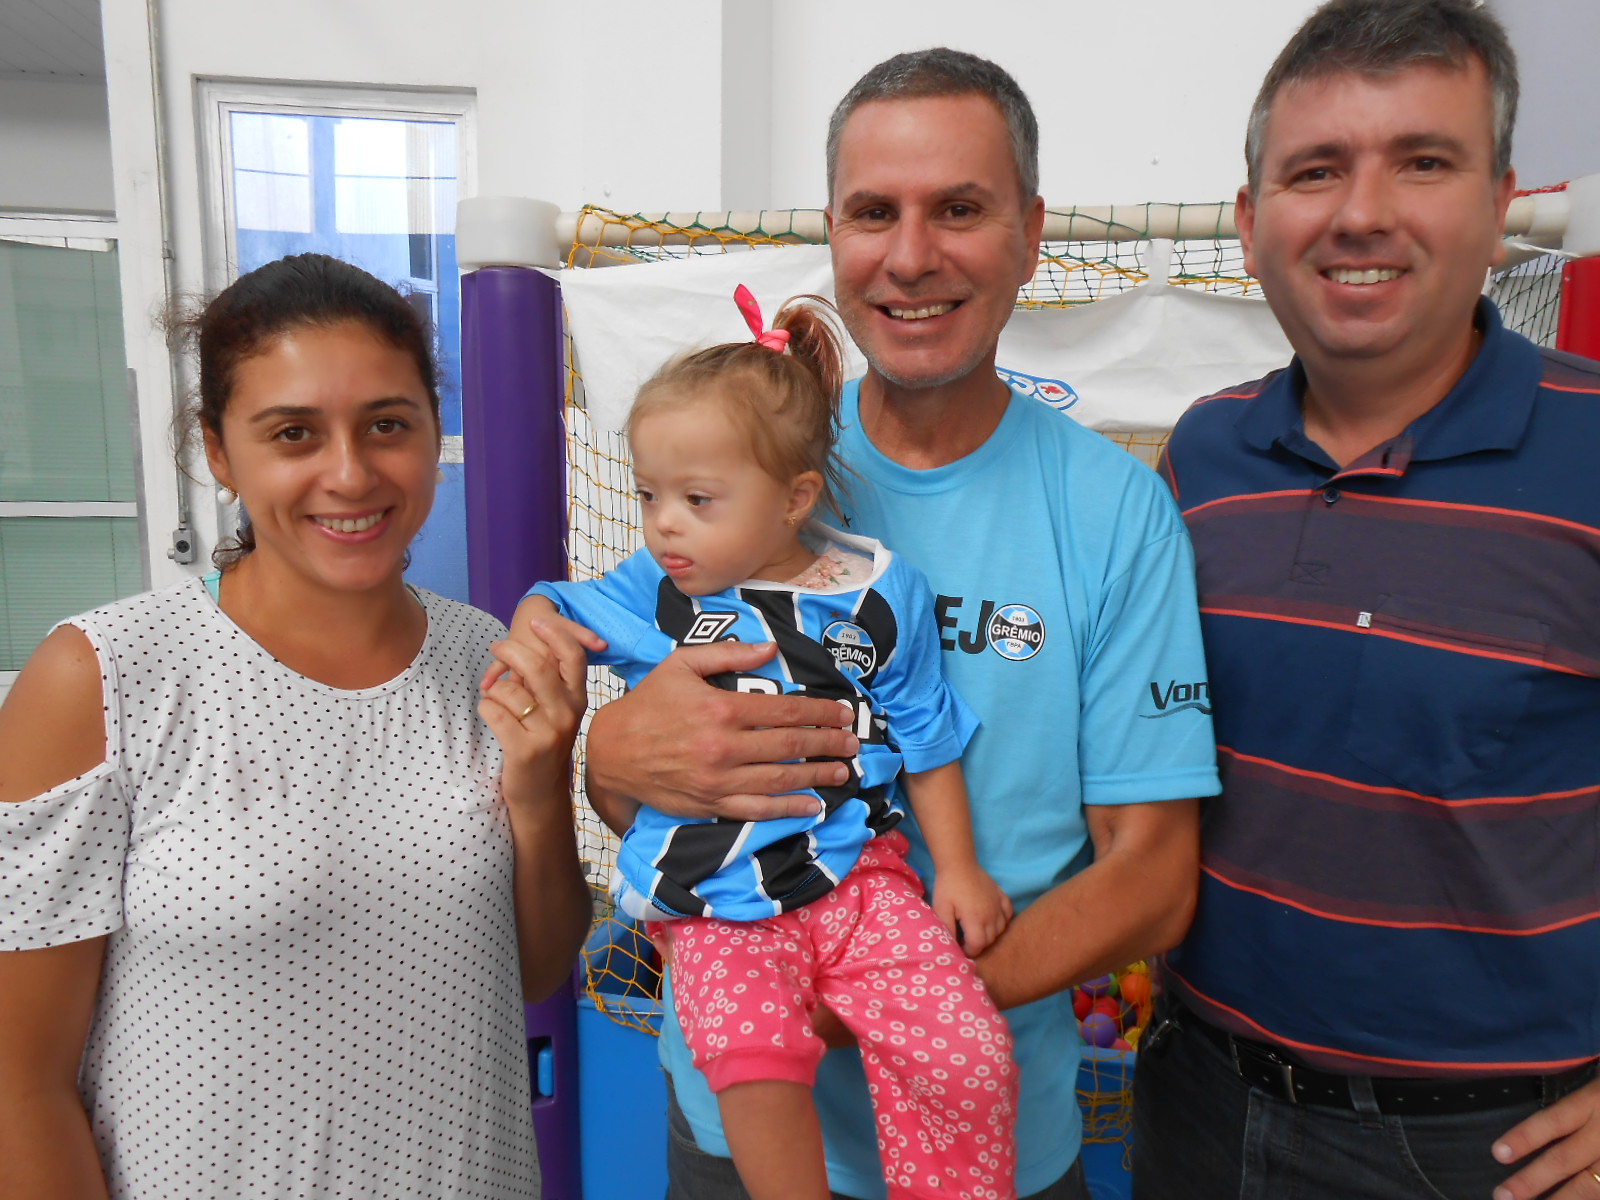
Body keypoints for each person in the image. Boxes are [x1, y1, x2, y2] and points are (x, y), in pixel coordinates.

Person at [519, 49, 1219, 1200]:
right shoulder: (733, 469)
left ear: (1031, 232)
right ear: (832, 233)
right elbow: (641, 767)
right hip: (735, 1130)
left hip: (1000, 1131)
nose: (910, 254)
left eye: (959, 209)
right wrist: (608, 754)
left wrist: (889, 989)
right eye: (872, 213)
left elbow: (1150, 878)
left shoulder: (1116, 512)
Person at [1130, 4, 1600, 1199]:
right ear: (1249, 223)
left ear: (1500, 203)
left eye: (1421, 162)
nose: (1360, 213)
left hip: (1492, 1155)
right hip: (1197, 1109)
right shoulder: (1201, 455)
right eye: (1315, 170)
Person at [0, 253, 593, 1199]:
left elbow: (535, 968)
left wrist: (538, 792)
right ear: (220, 449)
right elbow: (18, 1085)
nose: (350, 474)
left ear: (434, 433)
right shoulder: (104, 677)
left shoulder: (486, 655)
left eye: (387, 426)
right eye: (294, 433)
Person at [520, 287, 1017, 1200]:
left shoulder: (875, 591)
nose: (665, 522)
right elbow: (555, 601)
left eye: (698, 499)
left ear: (795, 498)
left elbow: (926, 735)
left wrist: (965, 872)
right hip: (716, 897)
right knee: (749, 1056)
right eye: (649, 495)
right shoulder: (656, 592)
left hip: (858, 881)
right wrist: (531, 622)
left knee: (969, 1053)